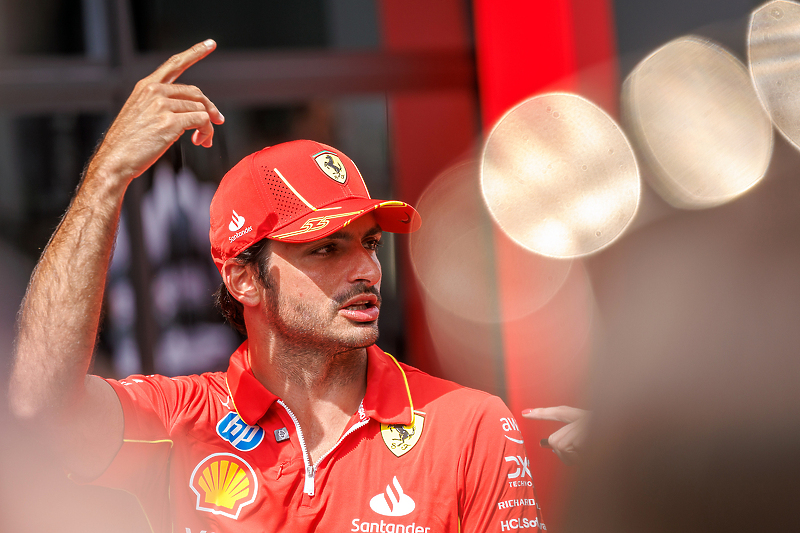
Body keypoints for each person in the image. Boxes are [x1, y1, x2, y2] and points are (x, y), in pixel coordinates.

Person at [8, 40, 544, 533]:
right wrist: (106, 178)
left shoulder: (471, 425)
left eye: (370, 244)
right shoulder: (183, 420)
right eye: (326, 248)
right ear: (245, 279)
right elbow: (40, 402)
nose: (368, 271)